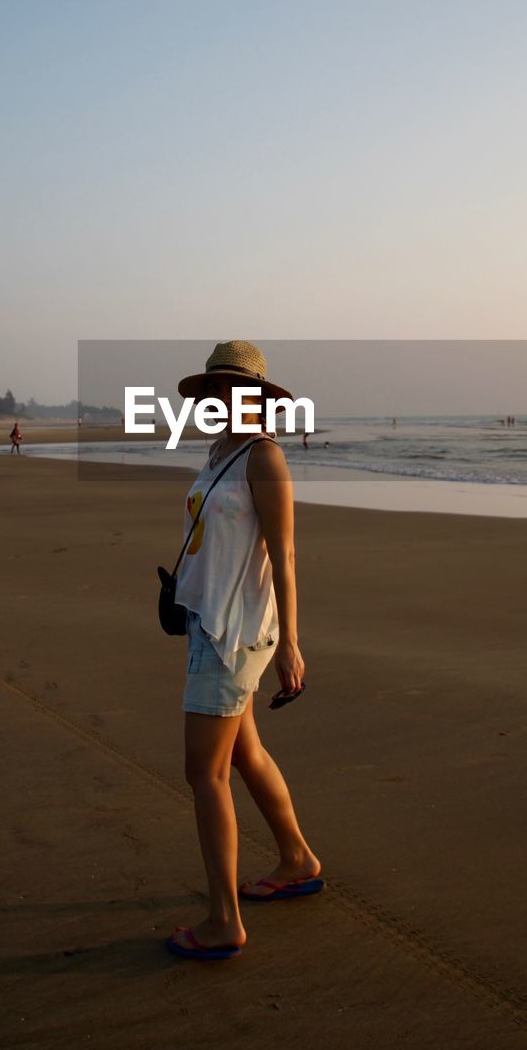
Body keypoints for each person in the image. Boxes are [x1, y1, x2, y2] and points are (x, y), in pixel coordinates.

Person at [167, 341, 321, 962]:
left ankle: (223, 920)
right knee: (245, 751)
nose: (219, 399)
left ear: (257, 396)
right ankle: (296, 858)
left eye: (231, 389)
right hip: (213, 624)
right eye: (212, 391)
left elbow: (283, 556)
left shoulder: (265, 458)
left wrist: (290, 643)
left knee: (204, 772)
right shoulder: (220, 451)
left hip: (234, 635)